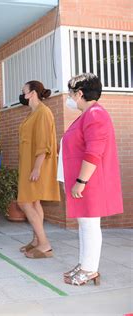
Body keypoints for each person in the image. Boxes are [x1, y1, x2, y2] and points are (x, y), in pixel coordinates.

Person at [60, 73, 123, 285]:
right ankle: (84, 263)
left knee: (89, 225)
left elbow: (94, 152)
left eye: (70, 92)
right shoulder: (87, 115)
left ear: (79, 93)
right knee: (84, 224)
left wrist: (81, 181)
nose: (69, 97)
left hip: (90, 182)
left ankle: (90, 269)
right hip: (84, 180)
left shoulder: (95, 115)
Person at [17, 81, 60, 259]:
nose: (22, 95)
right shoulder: (32, 113)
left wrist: (36, 168)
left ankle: (44, 244)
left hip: (36, 165)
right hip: (28, 164)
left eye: (23, 92)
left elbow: (43, 143)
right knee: (34, 202)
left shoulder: (43, 112)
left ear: (32, 93)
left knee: (24, 202)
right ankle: (36, 240)